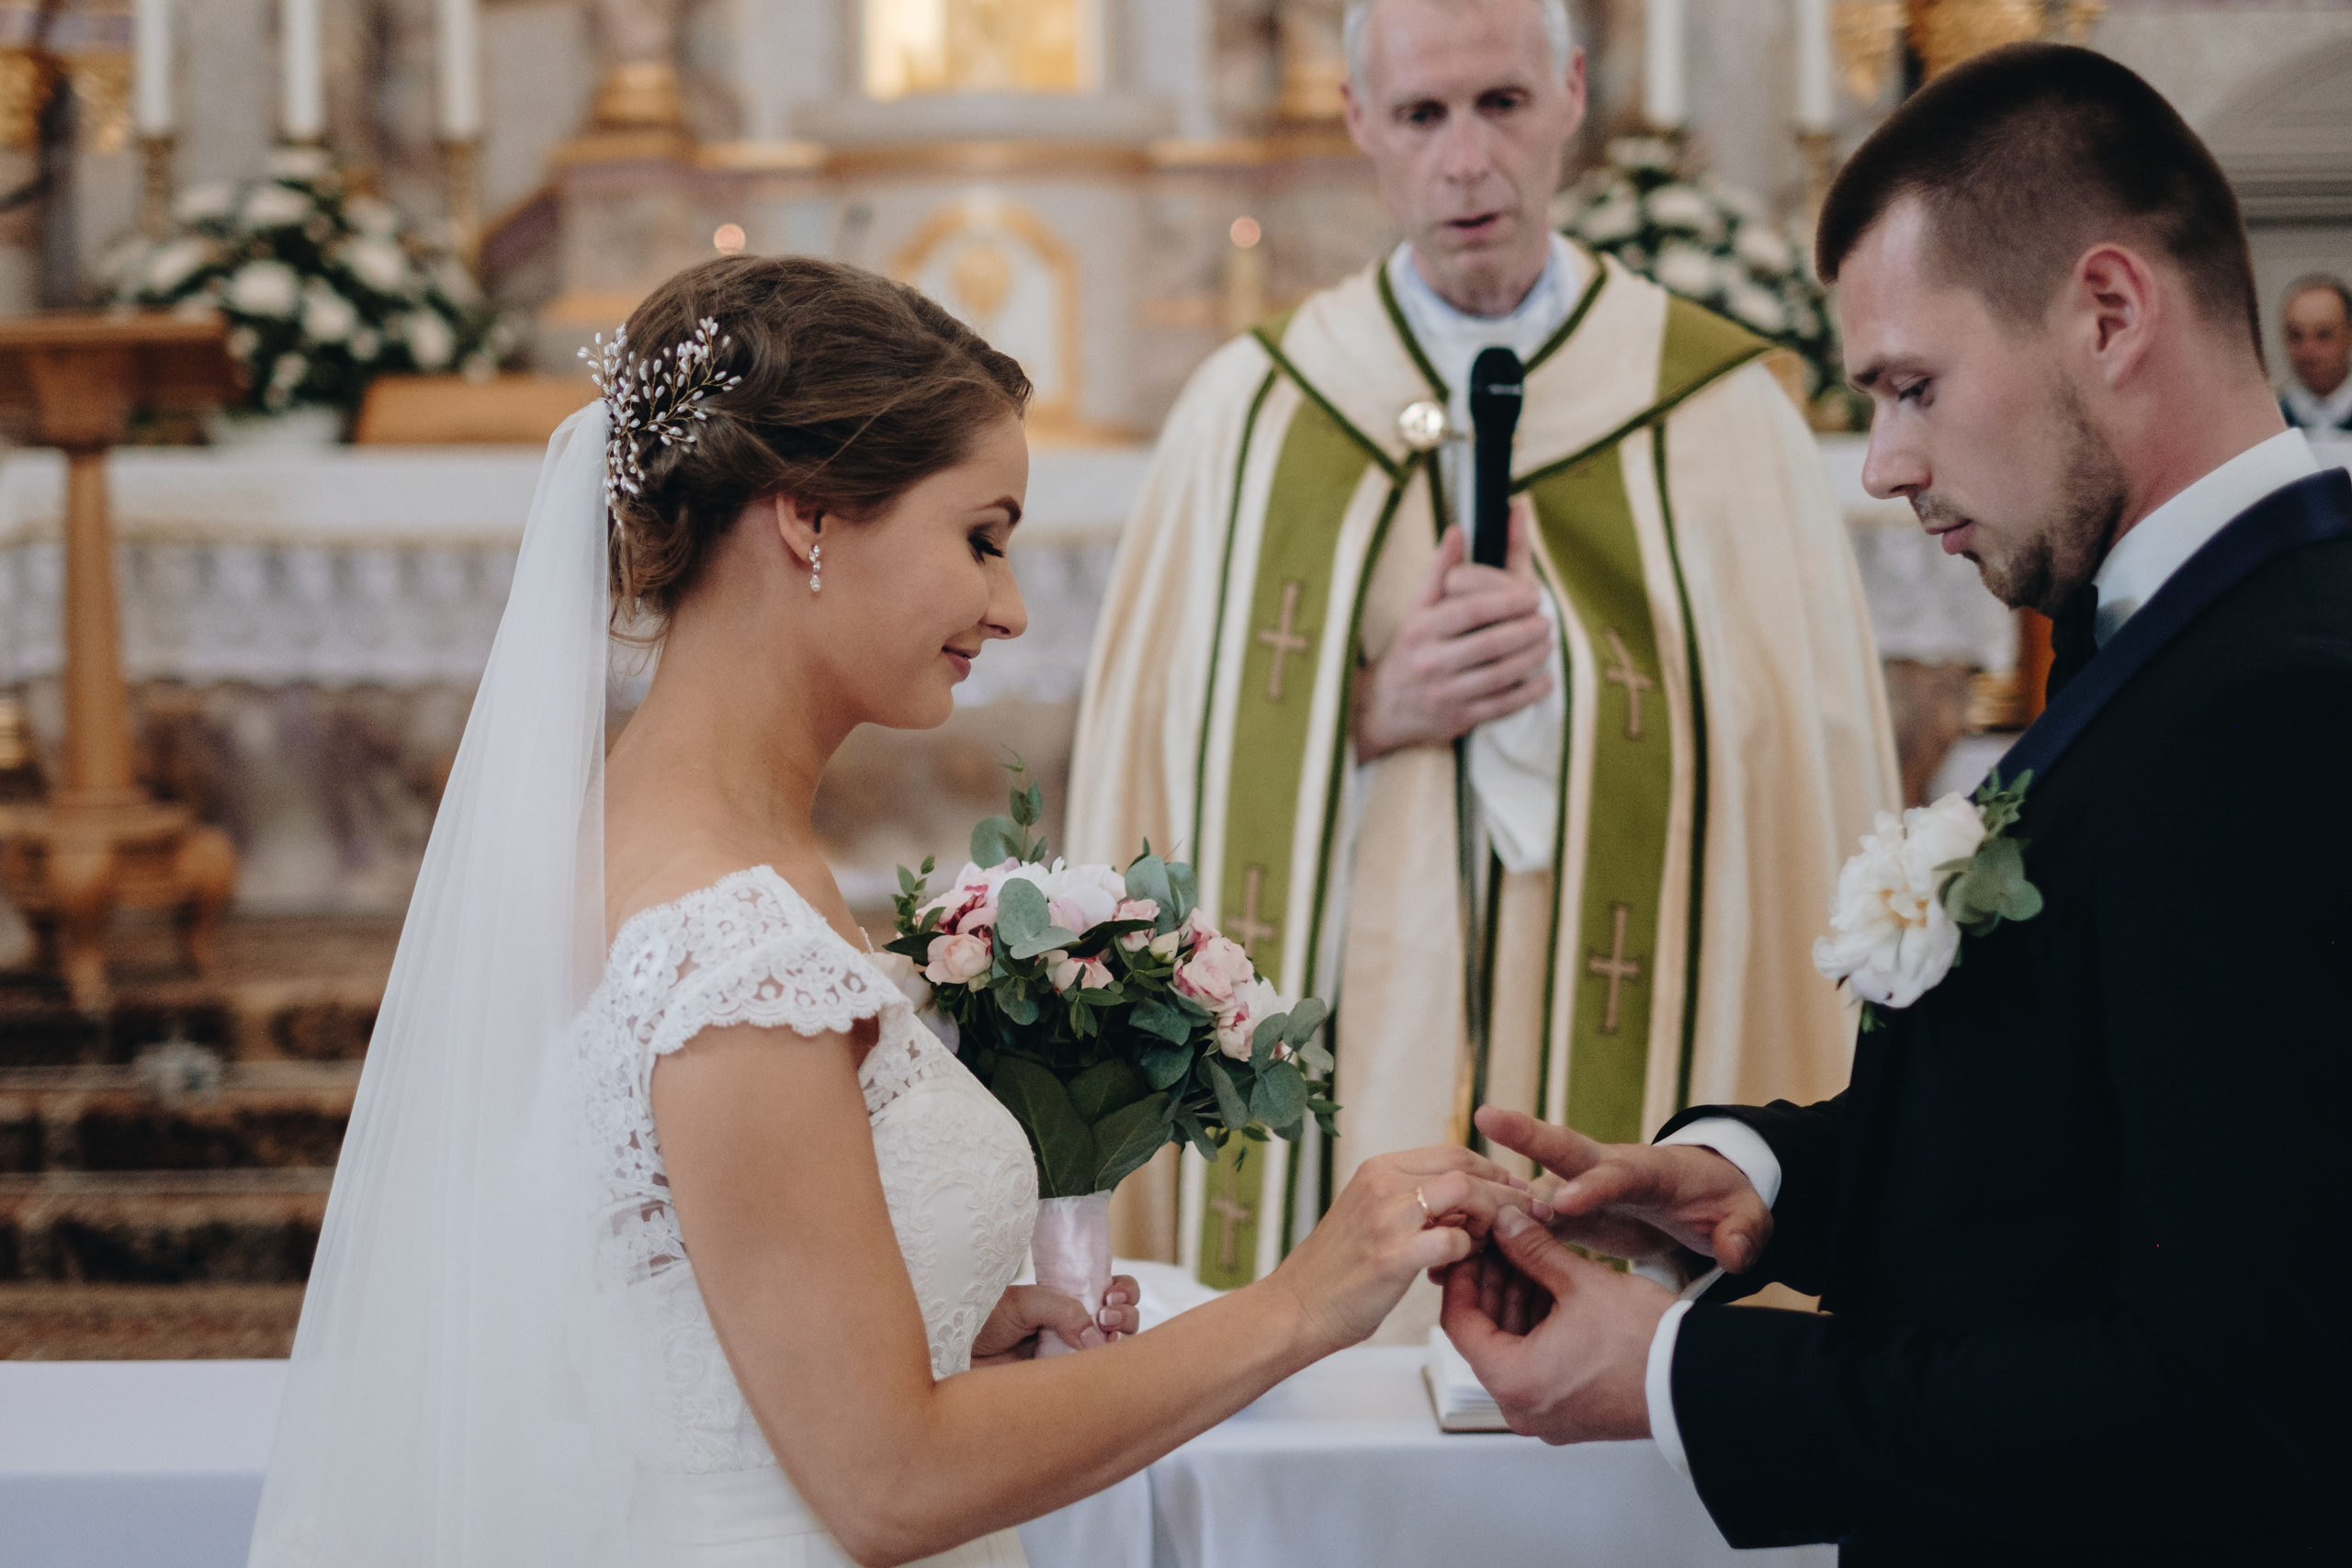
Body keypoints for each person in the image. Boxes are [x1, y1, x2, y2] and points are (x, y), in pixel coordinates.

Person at [245, 255, 1543, 1568]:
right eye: (981, 536)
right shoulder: (728, 946)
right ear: (809, 516)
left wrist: (949, 1322)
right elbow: (887, 1484)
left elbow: (666, 1299)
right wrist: (1307, 1298)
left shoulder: (671, 843)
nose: (1012, 603)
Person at [1440, 43, 2349, 1562]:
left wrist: (1669, 1373)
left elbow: (2229, 1394)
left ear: (2110, 312)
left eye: (1912, 386)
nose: (1884, 465)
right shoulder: (2191, 634)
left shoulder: (2281, 709)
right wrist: (1762, 1180)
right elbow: (2097, 1145)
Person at [1066, 0, 1896, 1317]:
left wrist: (1581, 668)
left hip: (1631, 1043)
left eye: (1501, 104)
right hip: (1350, 1076)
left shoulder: (1718, 408)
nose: (1465, 162)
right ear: (1360, 125)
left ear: (1572, 94)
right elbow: (1155, 760)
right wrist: (1362, 707)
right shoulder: (1253, 410)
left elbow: (1802, 766)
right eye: (1422, 114)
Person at [2278, 272, 2352, 433]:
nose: (2308, 351)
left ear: (2349, 335)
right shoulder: (2269, 423)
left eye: (2324, 334)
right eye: (2296, 335)